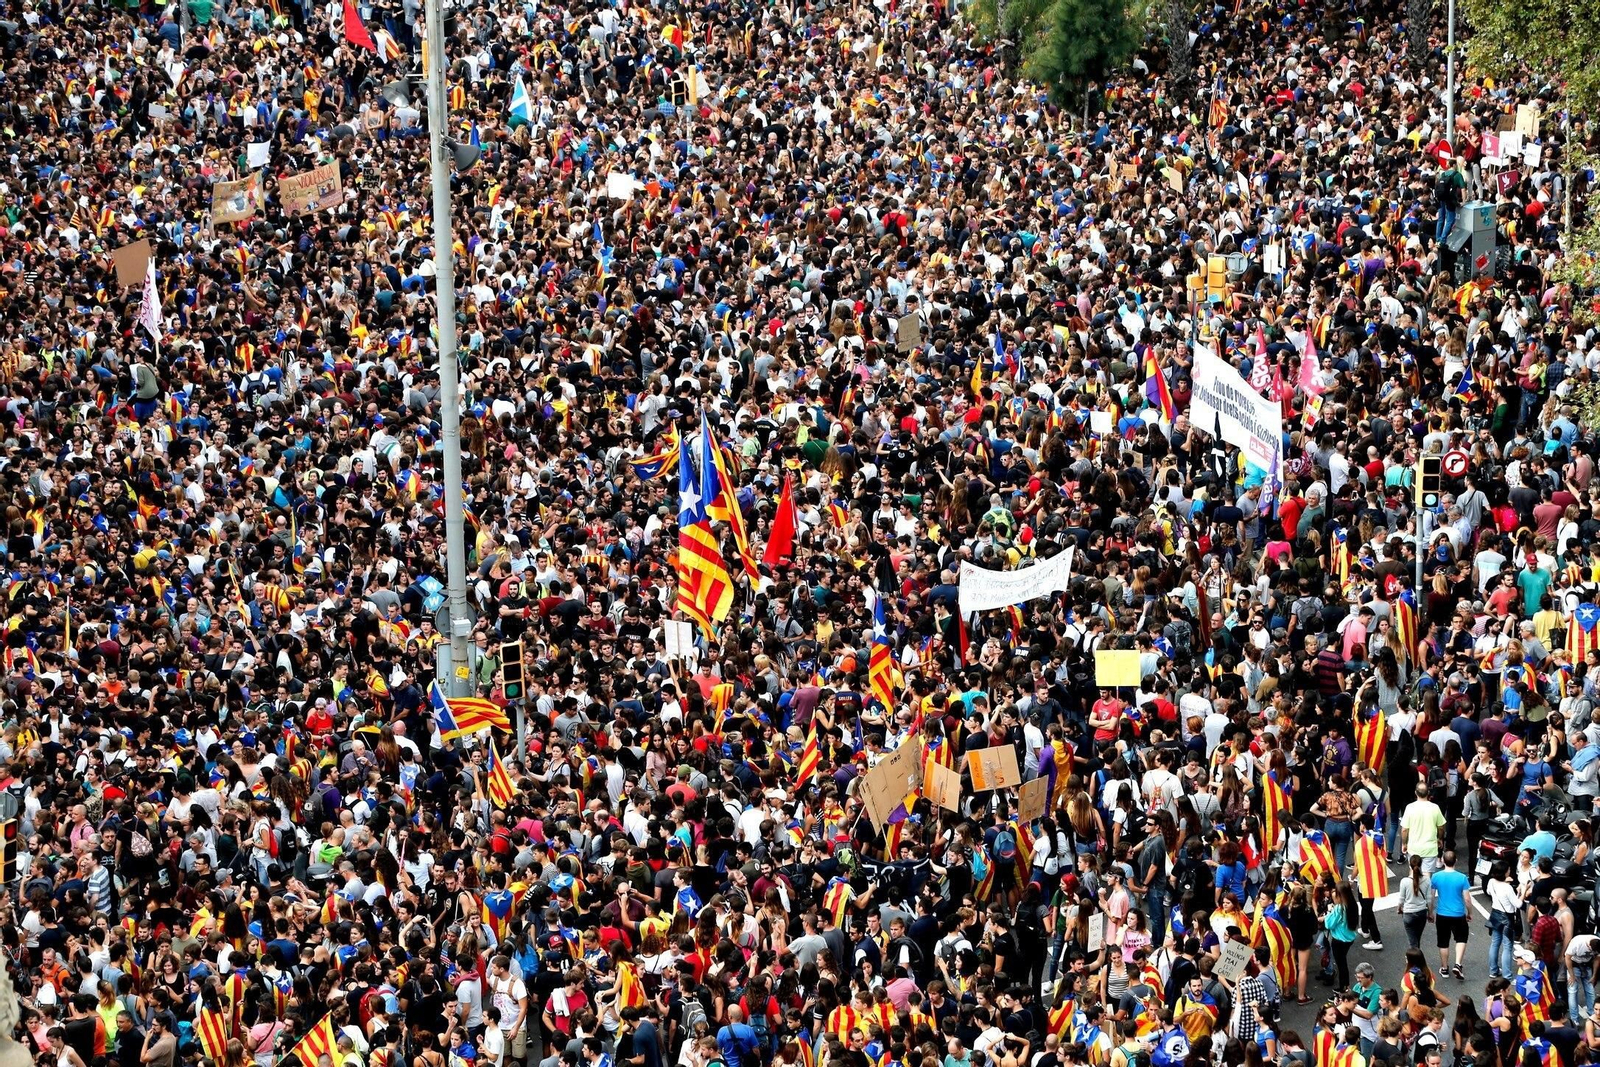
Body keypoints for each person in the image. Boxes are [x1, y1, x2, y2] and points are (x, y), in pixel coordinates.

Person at [1431, 851, 1473, 980]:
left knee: (1443, 941)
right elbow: (1467, 899)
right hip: (1458, 913)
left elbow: (1431, 897)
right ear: (1456, 861)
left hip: (1442, 913)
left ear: (1443, 861)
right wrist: (1469, 912)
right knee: (1461, 938)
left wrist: (1430, 911)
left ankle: (1444, 968)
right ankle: (1458, 964)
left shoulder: (1436, 877)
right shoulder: (1462, 878)